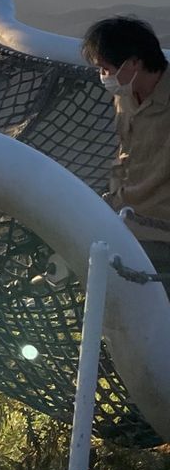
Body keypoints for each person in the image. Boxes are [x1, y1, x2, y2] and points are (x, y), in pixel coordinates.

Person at [82, 16, 170, 286]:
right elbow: (125, 150)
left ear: (134, 63)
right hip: (122, 216)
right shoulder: (124, 94)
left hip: (160, 233)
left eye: (106, 68)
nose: (104, 77)